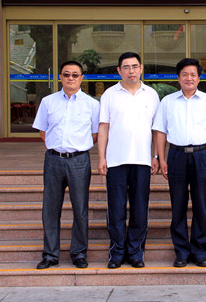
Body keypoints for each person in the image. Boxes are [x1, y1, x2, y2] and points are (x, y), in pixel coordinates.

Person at [153, 58, 206, 268]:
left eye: (193, 74)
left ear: (199, 78)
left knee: (201, 205)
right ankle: (181, 252)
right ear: (178, 78)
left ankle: (200, 252)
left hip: (202, 156)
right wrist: (161, 158)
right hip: (177, 155)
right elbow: (160, 131)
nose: (189, 78)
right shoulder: (167, 102)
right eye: (185, 74)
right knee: (178, 205)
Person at [32, 60, 100, 269]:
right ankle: (50, 255)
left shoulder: (92, 104)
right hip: (53, 160)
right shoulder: (48, 102)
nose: (71, 78)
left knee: (80, 209)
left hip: (79, 160)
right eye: (66, 74)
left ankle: (78, 253)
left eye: (75, 75)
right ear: (60, 77)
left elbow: (95, 134)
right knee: (50, 209)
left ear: (81, 78)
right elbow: (43, 132)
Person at [97, 52, 160, 269]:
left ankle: (135, 252)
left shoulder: (151, 94)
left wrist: (156, 156)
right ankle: (116, 253)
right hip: (115, 161)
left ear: (141, 68)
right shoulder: (109, 94)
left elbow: (157, 129)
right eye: (126, 67)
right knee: (116, 209)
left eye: (134, 66)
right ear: (119, 70)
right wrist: (102, 157)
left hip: (142, 160)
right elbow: (103, 127)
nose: (131, 71)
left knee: (139, 208)